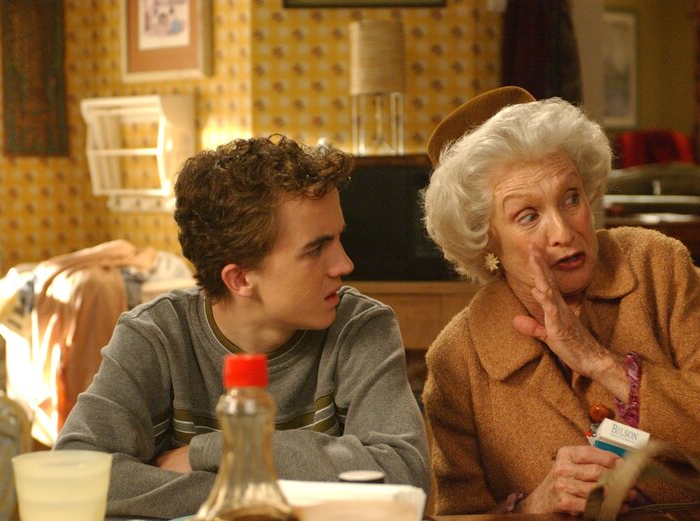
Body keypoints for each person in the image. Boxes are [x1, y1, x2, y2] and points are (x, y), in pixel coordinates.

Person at [421, 86, 700, 515]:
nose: (564, 232)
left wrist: (604, 365)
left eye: (571, 198)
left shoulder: (656, 267)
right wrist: (536, 507)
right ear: (485, 241)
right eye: (528, 216)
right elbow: (459, 514)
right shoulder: (458, 359)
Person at [55, 135, 430, 519]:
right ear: (240, 279)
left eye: (338, 238)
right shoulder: (155, 336)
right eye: (316, 249)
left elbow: (404, 476)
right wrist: (249, 498)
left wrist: (215, 451)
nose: (344, 264)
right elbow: (74, 475)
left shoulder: (361, 326)